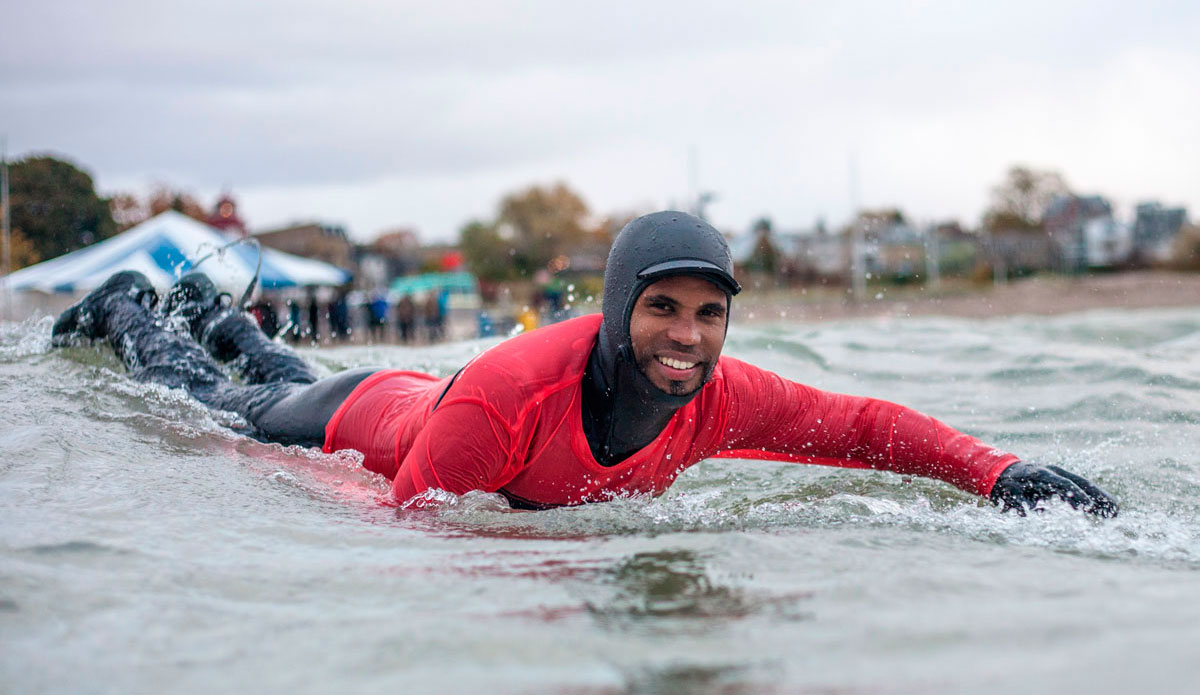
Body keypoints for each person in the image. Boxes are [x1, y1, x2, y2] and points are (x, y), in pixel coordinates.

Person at [50, 212, 1118, 517]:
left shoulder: (721, 393)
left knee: (260, 364)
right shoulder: (521, 390)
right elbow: (403, 523)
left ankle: (222, 318)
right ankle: (136, 312)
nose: (686, 338)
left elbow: (861, 426)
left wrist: (996, 469)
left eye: (709, 314)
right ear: (616, 311)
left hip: (425, 398)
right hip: (372, 421)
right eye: (661, 309)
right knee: (220, 406)